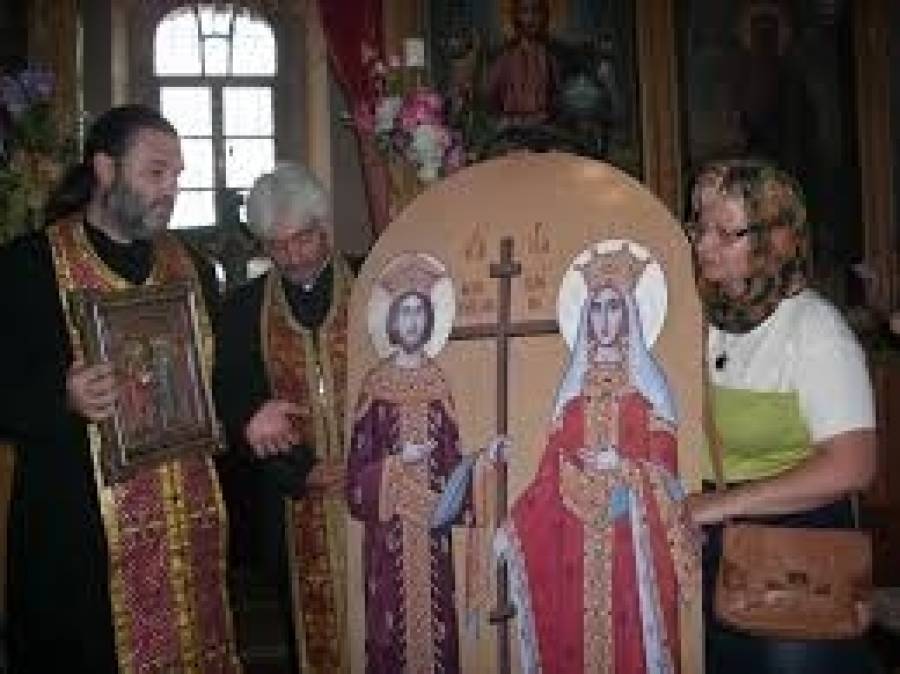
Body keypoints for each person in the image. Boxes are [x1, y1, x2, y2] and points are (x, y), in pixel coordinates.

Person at [0, 104, 240, 673]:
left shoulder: (192, 267)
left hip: (186, 527)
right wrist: (62, 399)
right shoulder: (28, 267)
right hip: (80, 542)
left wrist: (250, 414)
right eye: (156, 172)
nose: (171, 189)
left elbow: (219, 379)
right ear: (105, 169)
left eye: (177, 175)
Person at [684, 159, 878, 674]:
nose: (704, 245)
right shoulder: (696, 315)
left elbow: (853, 466)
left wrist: (716, 506)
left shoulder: (814, 330)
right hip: (708, 539)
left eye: (727, 233)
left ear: (777, 240)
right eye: (699, 227)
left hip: (793, 554)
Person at [496, 244, 699, 674]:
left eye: (614, 307)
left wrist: (622, 467)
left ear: (629, 314)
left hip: (631, 544)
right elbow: (549, 474)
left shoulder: (650, 391)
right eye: (597, 309)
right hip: (575, 546)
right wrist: (513, 526)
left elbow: (667, 478)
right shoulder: (571, 396)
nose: (605, 319)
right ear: (586, 317)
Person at [214, 162, 351, 674]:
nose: (292, 257)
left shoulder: (374, 285)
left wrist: (364, 465)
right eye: (277, 245)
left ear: (325, 229)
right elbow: (237, 402)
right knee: (305, 631)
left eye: (303, 239)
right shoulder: (243, 311)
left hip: (376, 485)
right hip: (290, 497)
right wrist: (302, 471)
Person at [346, 252, 508, 674]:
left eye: (420, 311)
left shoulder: (438, 385)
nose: (413, 321)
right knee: (392, 636)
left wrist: (484, 461)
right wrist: (397, 463)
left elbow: (454, 470)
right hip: (389, 540)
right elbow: (356, 483)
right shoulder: (376, 387)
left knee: (437, 634)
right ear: (392, 320)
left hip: (433, 538)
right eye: (405, 312)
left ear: (430, 318)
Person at [485, 0, 561, 126]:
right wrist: (503, 119)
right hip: (510, 128)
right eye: (525, 11)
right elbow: (490, 97)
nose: (531, 18)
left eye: (536, 11)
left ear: (544, 16)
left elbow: (558, 99)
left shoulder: (550, 59)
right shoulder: (505, 58)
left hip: (543, 129)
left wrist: (548, 116)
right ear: (517, 16)